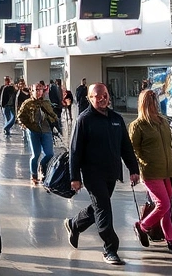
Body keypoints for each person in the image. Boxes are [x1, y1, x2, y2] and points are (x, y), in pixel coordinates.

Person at [65, 82, 140, 266]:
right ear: (90, 98)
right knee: (104, 209)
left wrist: (133, 169)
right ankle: (110, 248)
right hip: (92, 173)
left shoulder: (116, 118)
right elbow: (75, 150)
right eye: (97, 95)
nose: (102, 98)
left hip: (111, 172)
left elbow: (126, 146)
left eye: (104, 94)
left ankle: (75, 224)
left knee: (100, 206)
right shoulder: (84, 119)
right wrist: (74, 177)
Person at [129, 90, 172, 255]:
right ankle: (142, 226)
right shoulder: (137, 125)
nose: (154, 102)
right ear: (144, 103)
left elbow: (168, 144)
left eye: (155, 99)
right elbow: (132, 150)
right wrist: (134, 171)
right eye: (151, 100)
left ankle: (171, 241)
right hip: (150, 171)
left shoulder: (163, 122)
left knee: (167, 209)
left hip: (167, 170)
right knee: (163, 204)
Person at [17, 81, 60, 185]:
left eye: (39, 89)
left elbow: (53, 115)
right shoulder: (27, 103)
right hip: (33, 131)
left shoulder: (46, 103)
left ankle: (43, 167)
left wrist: (55, 124)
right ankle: (34, 175)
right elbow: (20, 117)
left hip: (46, 131)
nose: (38, 92)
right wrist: (27, 126)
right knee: (36, 154)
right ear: (31, 91)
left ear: (42, 91)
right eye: (35, 90)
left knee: (49, 153)